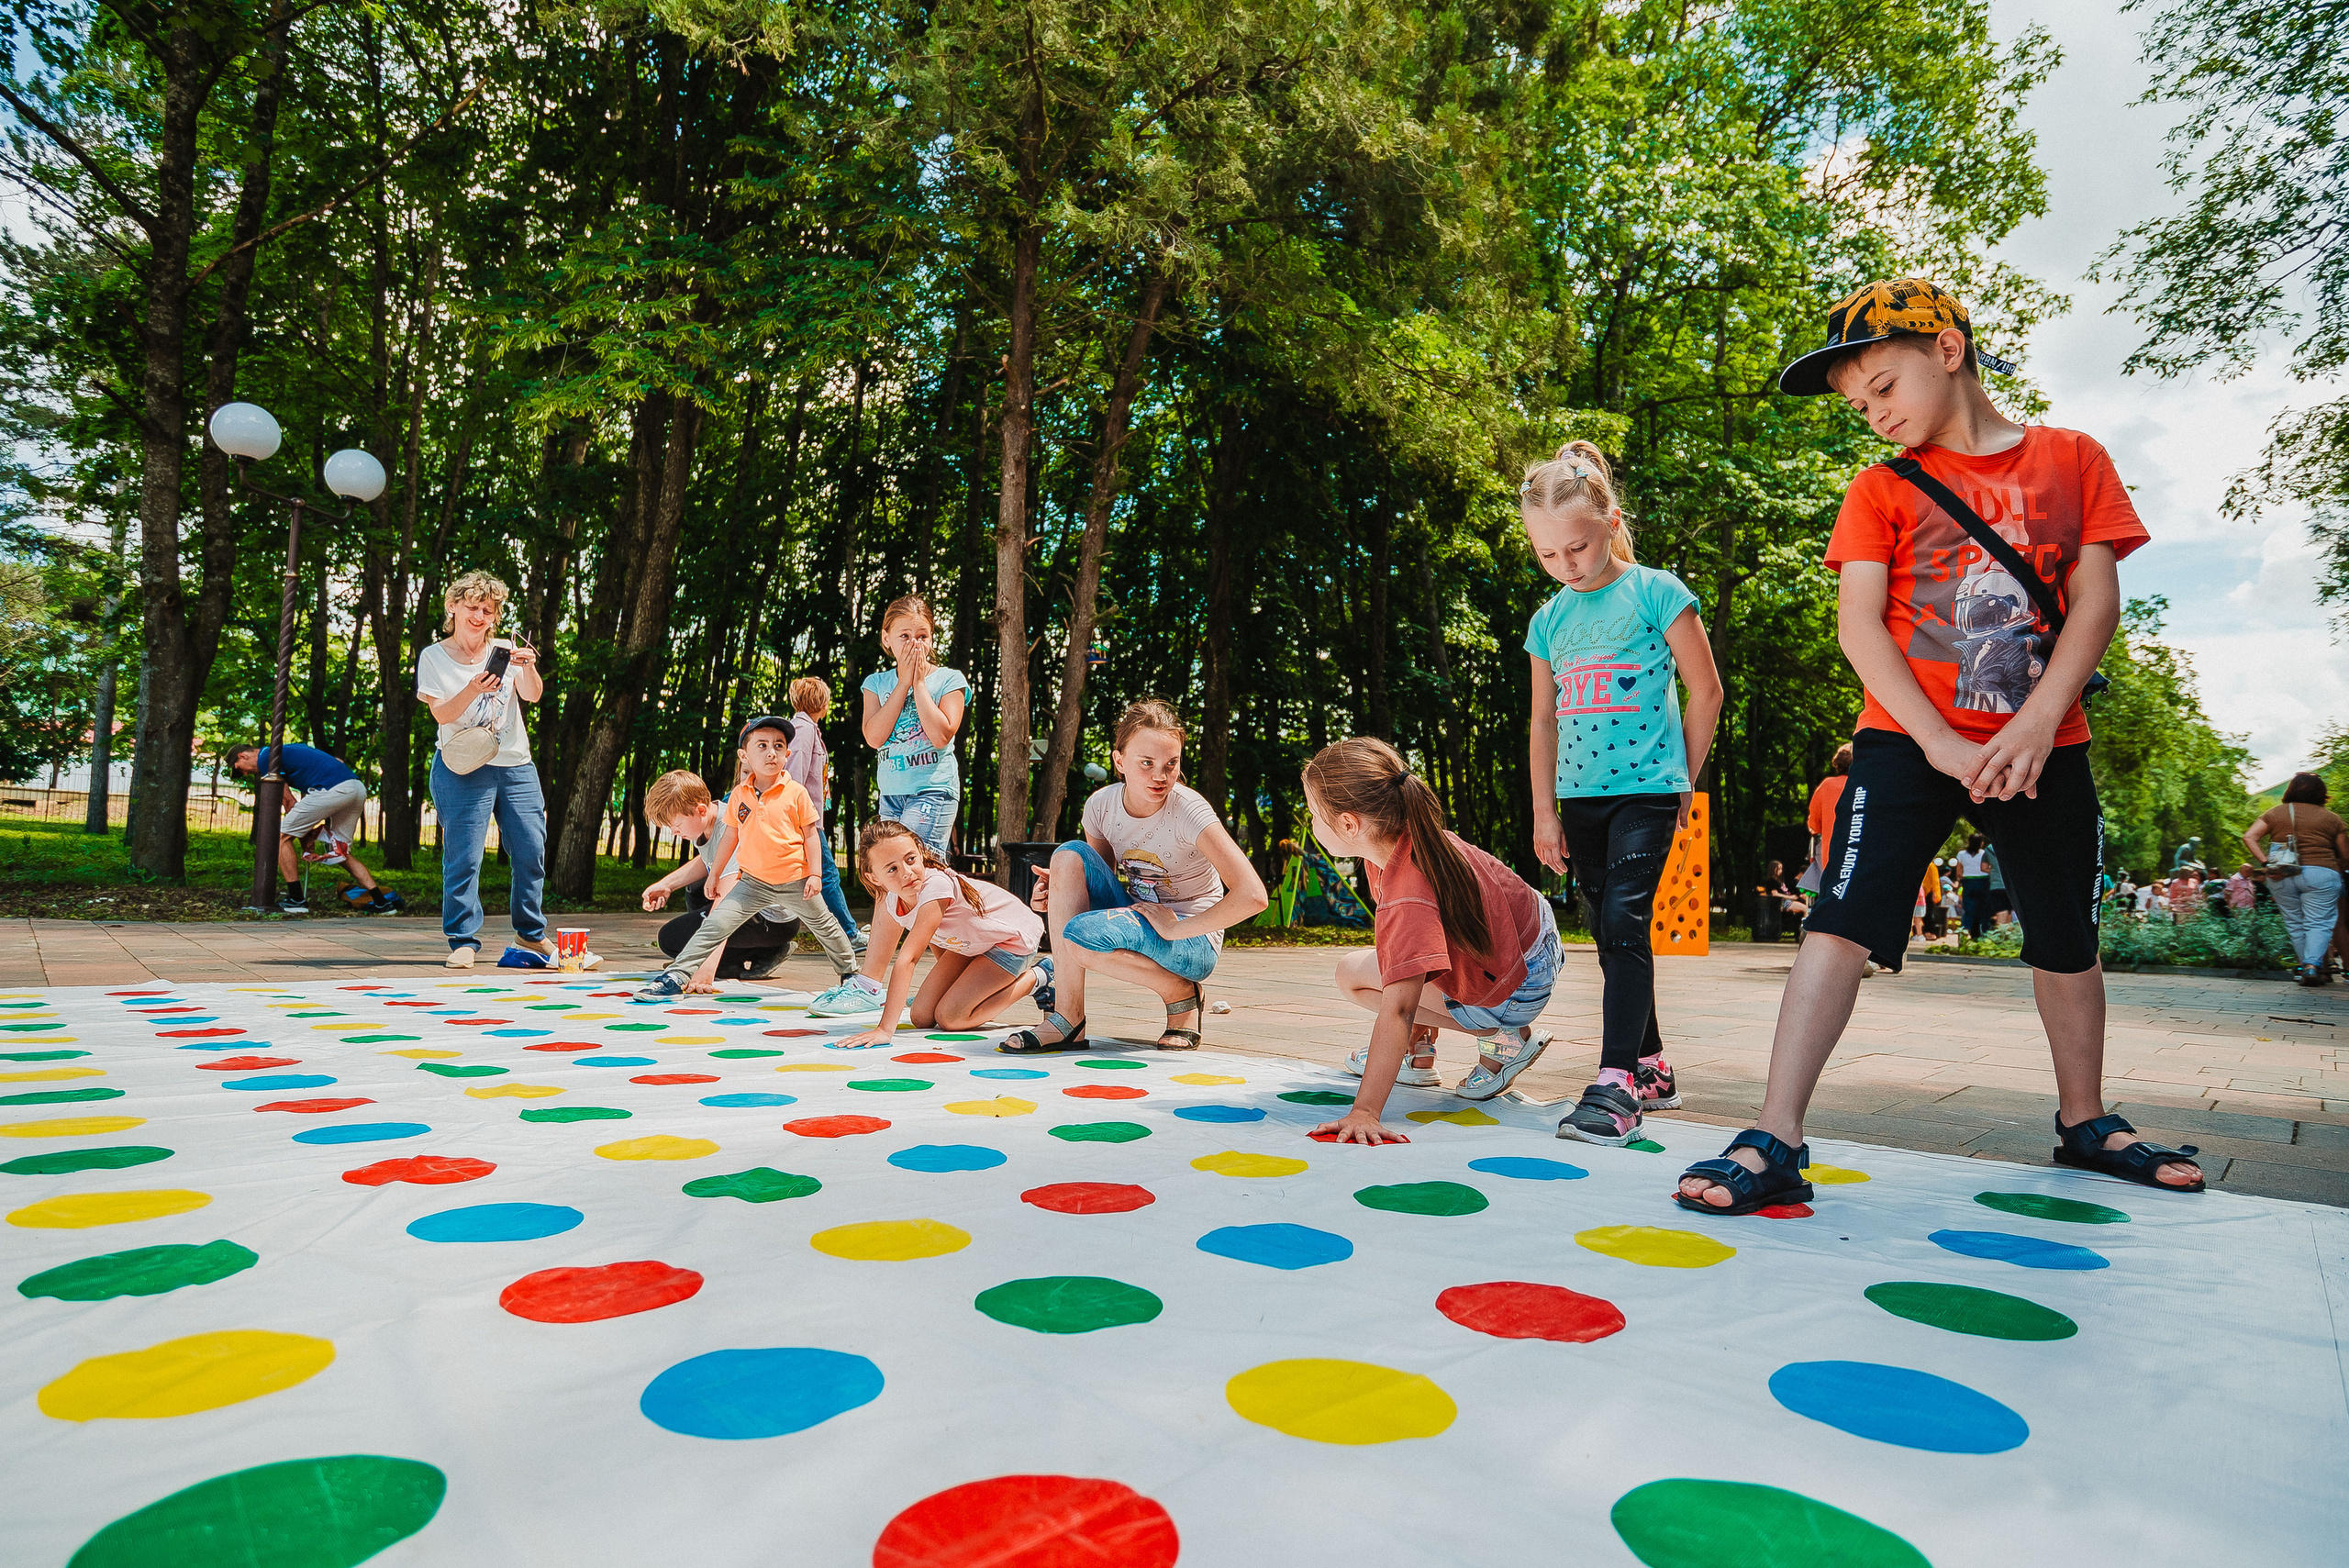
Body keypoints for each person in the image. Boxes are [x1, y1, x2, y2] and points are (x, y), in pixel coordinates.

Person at [1675, 278, 2202, 1213]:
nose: (1871, 413)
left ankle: (2084, 1118)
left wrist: (2036, 721)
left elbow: (2094, 601)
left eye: (1882, 385)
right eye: (1857, 403)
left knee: (2065, 937)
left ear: (1948, 351)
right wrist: (1939, 744)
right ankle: (1774, 1134)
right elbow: (1861, 629)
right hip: (1906, 741)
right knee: (1837, 920)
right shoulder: (1879, 488)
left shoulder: (2071, 458)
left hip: (2046, 740)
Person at [1520, 439, 1723, 1140]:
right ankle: (1652, 1062)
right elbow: (1543, 721)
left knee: (1625, 924)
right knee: (1611, 936)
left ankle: (1615, 1088)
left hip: (1648, 791)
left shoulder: (1657, 591)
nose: (1565, 565)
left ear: (1610, 523)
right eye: (1548, 554)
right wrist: (1544, 811)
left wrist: (1680, 781)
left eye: (1576, 548)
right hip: (1579, 799)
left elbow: (1708, 690)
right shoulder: (1549, 619)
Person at [1302, 738, 1560, 1144]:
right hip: (1535, 946)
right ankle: (1417, 1053)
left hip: (1516, 986)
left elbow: (1399, 1008)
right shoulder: (1412, 839)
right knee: (1391, 964)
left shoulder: (1408, 889)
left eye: (1314, 813)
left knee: (1354, 975)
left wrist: (1365, 1110)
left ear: (1349, 824)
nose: (1311, 822)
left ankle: (1502, 1037)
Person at [1010, 700, 1267, 1053]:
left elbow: (1253, 895)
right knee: (1067, 856)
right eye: (1146, 763)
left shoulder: (1189, 811)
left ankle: (1182, 994)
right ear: (1119, 762)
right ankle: (1068, 1019)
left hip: (1191, 938)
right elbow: (1093, 881)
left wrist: (1176, 928)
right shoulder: (1101, 806)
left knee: (1080, 937)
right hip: (1139, 917)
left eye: (1170, 764)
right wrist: (1054, 894)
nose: (1160, 776)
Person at [636, 715, 862, 1002]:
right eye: (763, 746)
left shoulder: (797, 793)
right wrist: (714, 874)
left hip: (794, 879)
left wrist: (815, 875)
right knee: (717, 923)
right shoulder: (740, 796)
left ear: (787, 754)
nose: (771, 752)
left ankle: (851, 975)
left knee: (826, 925)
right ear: (745, 756)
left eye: (779, 746)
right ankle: (675, 977)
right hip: (754, 883)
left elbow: (811, 836)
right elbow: (729, 838)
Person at [417, 571, 565, 970]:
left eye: (488, 610)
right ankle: (463, 939)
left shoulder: (505, 649)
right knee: (464, 856)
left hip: (516, 764)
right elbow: (441, 713)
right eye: (472, 607)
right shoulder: (433, 657)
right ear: (453, 607)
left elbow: (532, 695)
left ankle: (531, 934)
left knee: (532, 850)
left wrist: (530, 666)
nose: (479, 616)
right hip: (463, 767)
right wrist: (473, 689)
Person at [833, 819, 1049, 1047]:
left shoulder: (935, 887)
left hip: (1010, 939)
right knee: (921, 1016)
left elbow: (908, 959)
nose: (906, 873)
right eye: (892, 869)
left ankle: (1040, 977)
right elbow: (938, 937)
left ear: (920, 852)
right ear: (874, 878)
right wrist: (954, 985)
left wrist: (885, 1030)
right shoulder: (892, 901)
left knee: (951, 1017)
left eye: (910, 859)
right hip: (973, 944)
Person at [639, 769, 799, 988]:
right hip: (754, 910)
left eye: (676, 826)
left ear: (700, 810)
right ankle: (742, 956)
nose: (675, 833)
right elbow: (708, 861)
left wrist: (702, 972)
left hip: (772, 920)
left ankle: (763, 950)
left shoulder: (729, 827)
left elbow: (725, 909)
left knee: (671, 939)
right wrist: (666, 885)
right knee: (696, 888)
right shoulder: (705, 822)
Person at [226, 741, 400, 916]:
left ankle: (296, 899)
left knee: (279, 838)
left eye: (240, 769)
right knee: (340, 851)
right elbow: (338, 761)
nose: (246, 773)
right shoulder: (293, 748)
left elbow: (289, 802)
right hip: (356, 788)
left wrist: (303, 836)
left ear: (243, 756)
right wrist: (303, 832)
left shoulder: (267, 758)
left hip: (331, 790)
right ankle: (381, 903)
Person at [859, 595, 967, 859]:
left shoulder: (949, 680)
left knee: (916, 868)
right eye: (904, 636)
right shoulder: (875, 683)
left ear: (931, 639)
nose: (914, 644)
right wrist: (903, 683)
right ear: (887, 639)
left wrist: (918, 684)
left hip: (933, 789)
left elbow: (942, 735)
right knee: (891, 871)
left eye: (922, 636)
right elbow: (874, 737)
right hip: (891, 794)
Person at [2246, 773, 2349, 984]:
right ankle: (2312, 965)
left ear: (2291, 790)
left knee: (2295, 923)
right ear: (2322, 793)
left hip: (2281, 873)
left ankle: (2306, 968)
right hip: (2321, 873)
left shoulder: (2274, 813)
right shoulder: (2332, 818)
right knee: (2319, 922)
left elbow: (2249, 836)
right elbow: (2346, 855)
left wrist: (2266, 863)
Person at [785, 676, 863, 953]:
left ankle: (843, 934)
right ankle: (848, 935)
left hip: (809, 817)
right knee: (827, 875)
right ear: (821, 702)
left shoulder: (810, 729)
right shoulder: (803, 730)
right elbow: (794, 775)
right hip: (804, 820)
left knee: (821, 876)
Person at [1803, 745, 1853, 895]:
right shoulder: (1866, 786)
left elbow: (1814, 825)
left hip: (1832, 859)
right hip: (1862, 857)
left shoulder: (1826, 786)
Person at [1953, 834, 1990, 936]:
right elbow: (1987, 867)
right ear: (1980, 843)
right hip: (1983, 881)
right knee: (1983, 908)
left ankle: (1964, 933)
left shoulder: (1961, 854)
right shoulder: (1985, 853)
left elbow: (1959, 872)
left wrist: (1962, 879)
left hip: (1968, 882)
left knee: (1969, 909)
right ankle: (1984, 933)